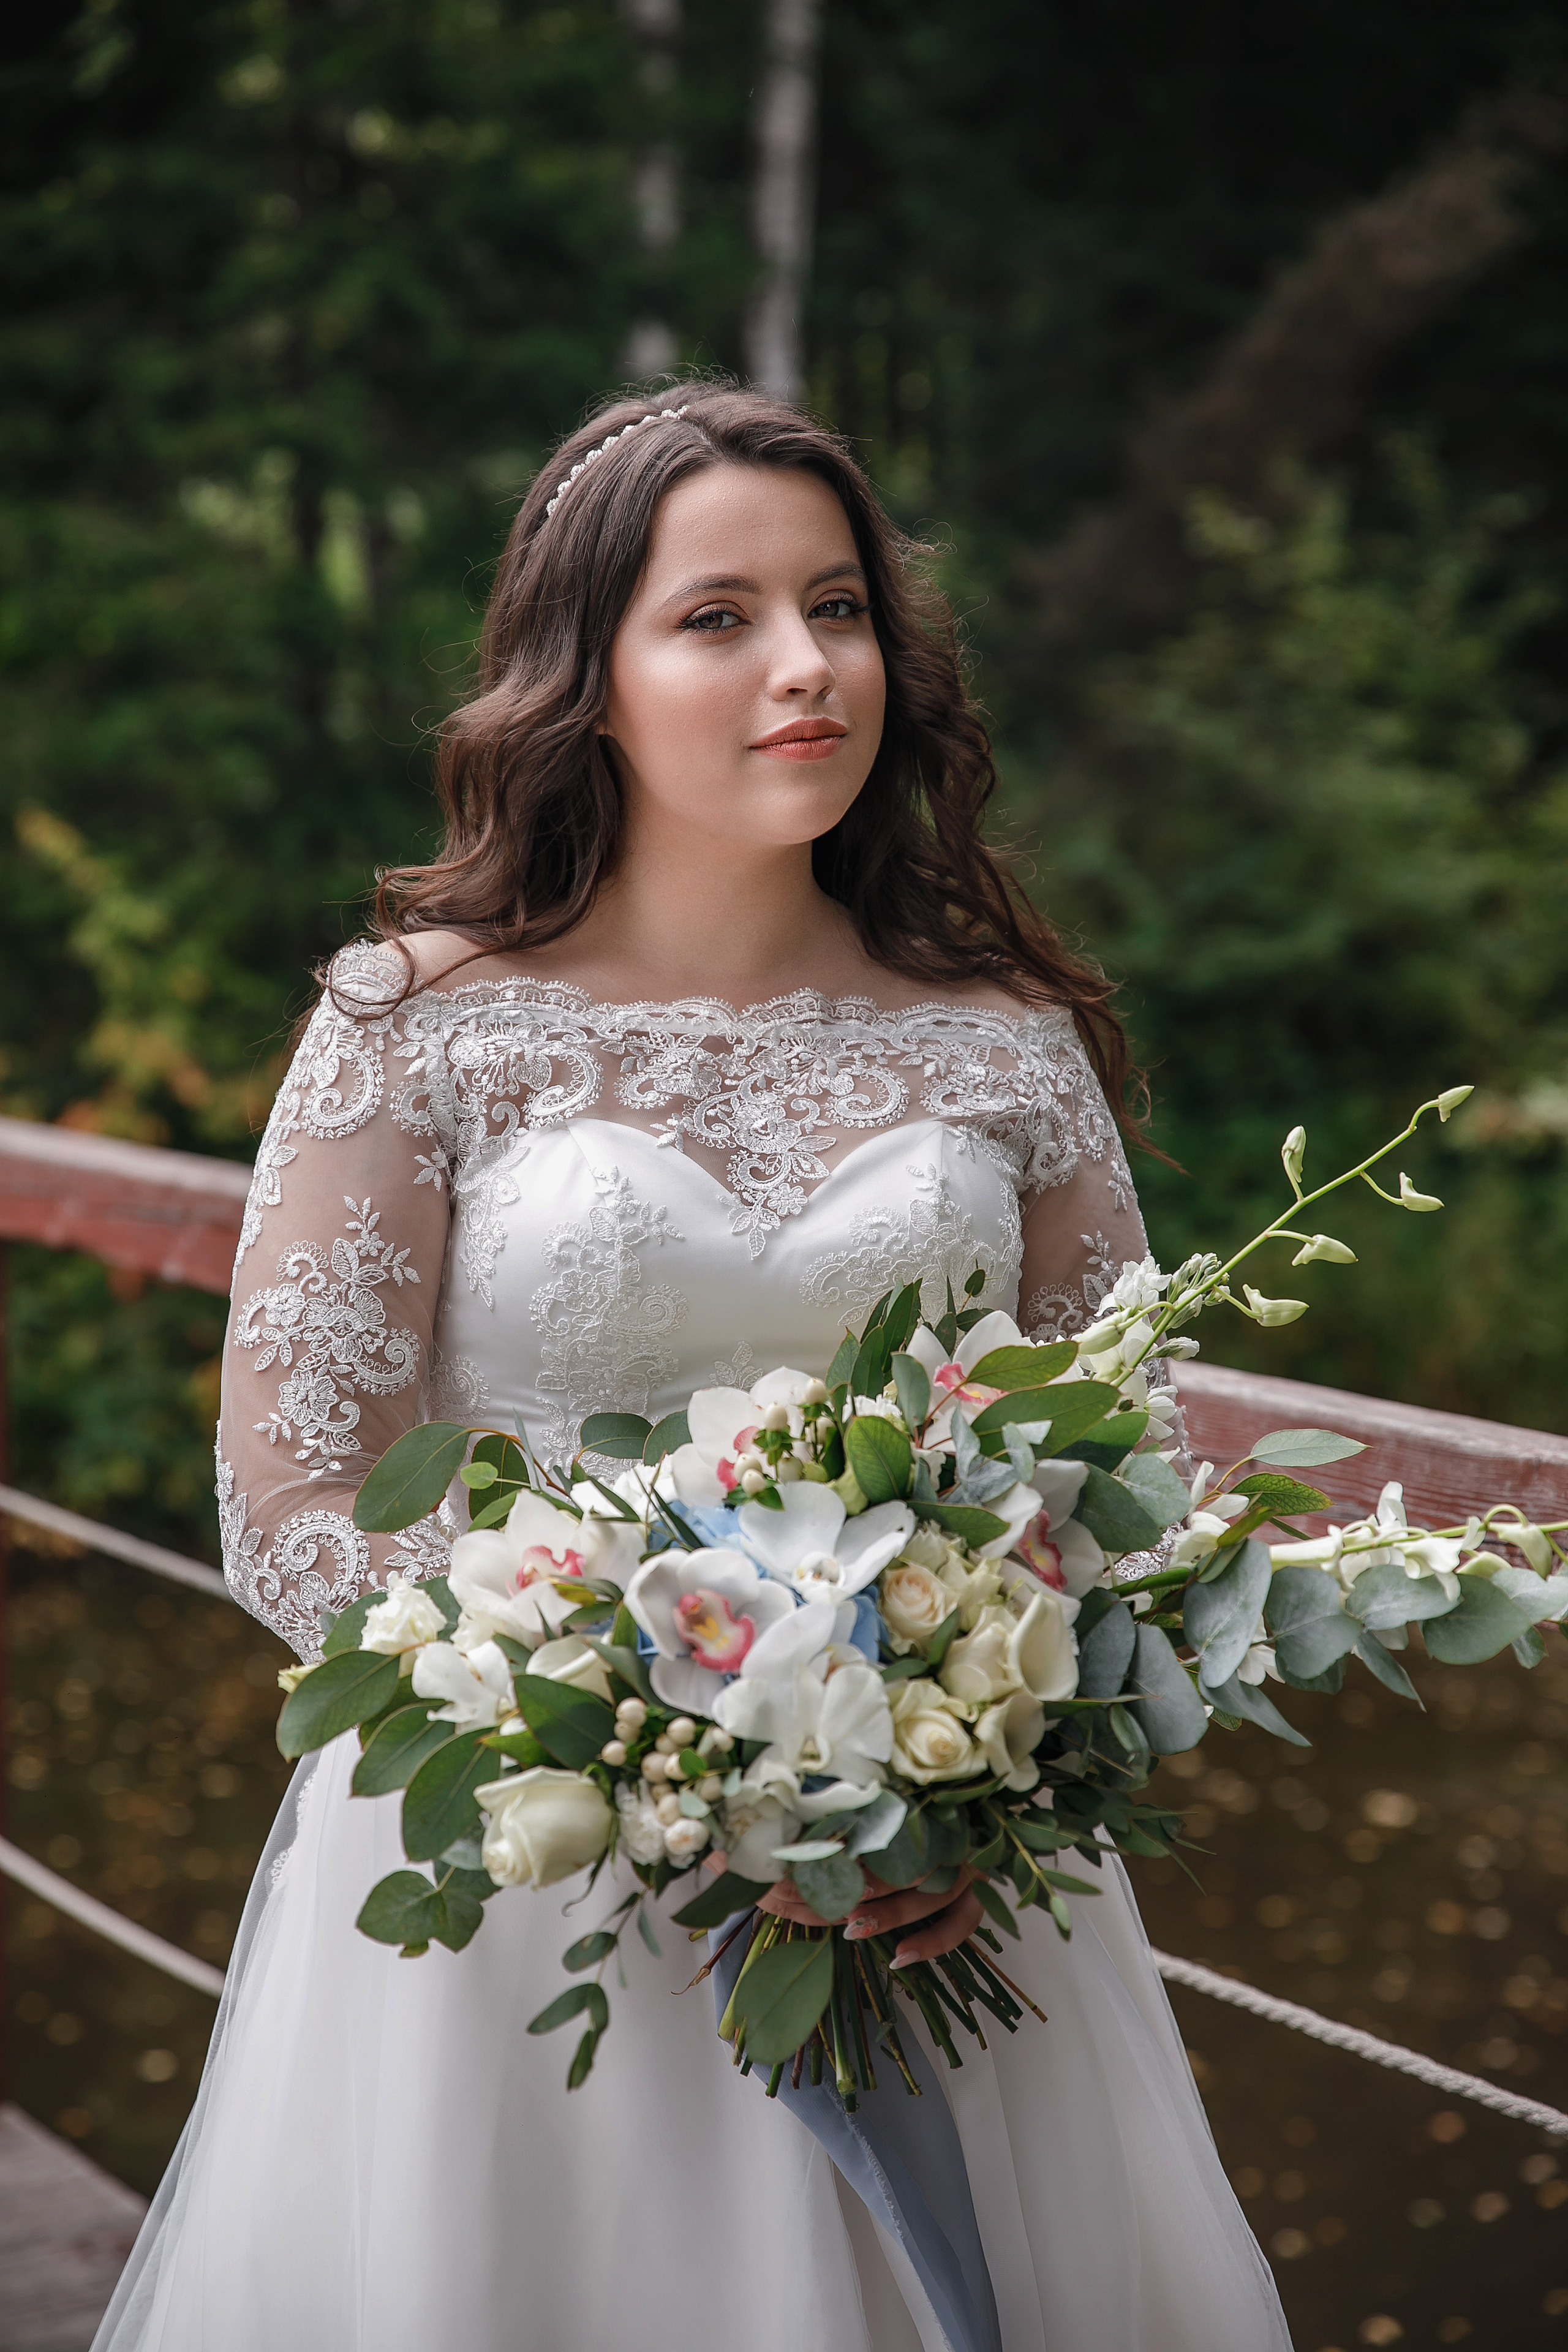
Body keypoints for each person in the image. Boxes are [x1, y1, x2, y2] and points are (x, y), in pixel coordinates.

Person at [94, 383, 1292, 2352]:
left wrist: (965, 1789)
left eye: (839, 606)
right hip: (519, 1884)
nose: (810, 665)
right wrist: (651, 1755)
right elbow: (295, 1506)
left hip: (941, 1879)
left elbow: (1127, 1476)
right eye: (719, 615)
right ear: (590, 674)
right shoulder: (419, 1026)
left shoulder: (1002, 1038)